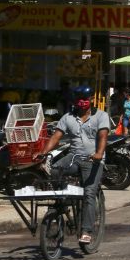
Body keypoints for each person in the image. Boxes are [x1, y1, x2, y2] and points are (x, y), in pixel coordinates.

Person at [37, 94, 109, 244]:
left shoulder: (101, 116)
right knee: (55, 169)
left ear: (90, 100)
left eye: (85, 99)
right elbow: (56, 137)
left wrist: (99, 153)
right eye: (78, 100)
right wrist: (43, 153)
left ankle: (86, 231)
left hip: (93, 159)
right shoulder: (67, 117)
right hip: (74, 156)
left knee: (89, 193)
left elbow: (103, 136)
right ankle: (63, 203)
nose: (82, 103)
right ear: (74, 102)